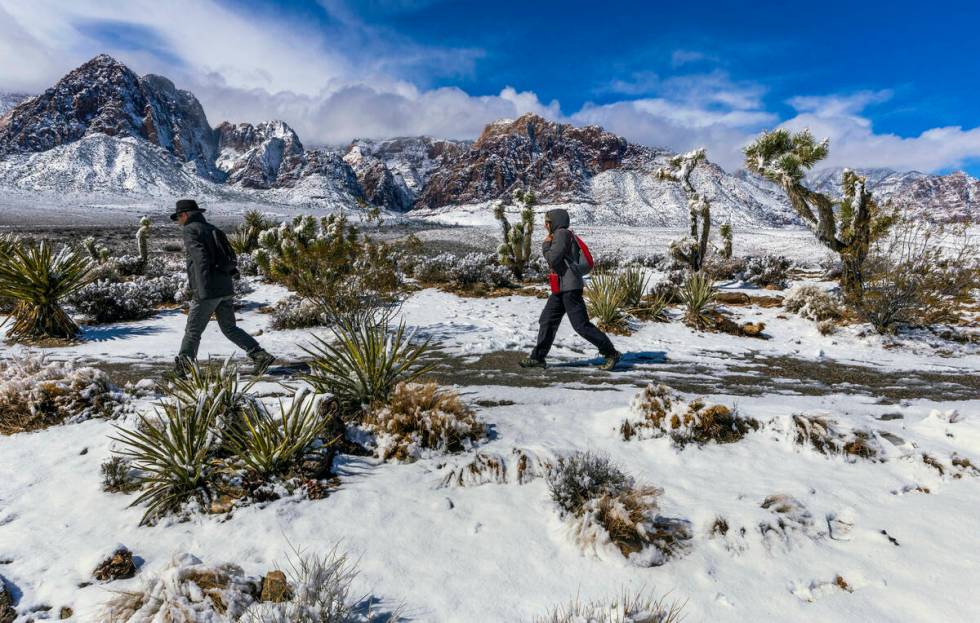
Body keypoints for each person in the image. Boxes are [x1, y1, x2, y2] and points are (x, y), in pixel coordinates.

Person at [170, 199, 275, 376]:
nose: (178, 222)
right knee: (229, 328)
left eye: (178, 217)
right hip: (225, 288)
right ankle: (259, 355)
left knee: (193, 330)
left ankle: (182, 369)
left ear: (185, 215)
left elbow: (200, 259)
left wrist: (201, 290)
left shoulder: (190, 230)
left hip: (208, 290)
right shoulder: (213, 229)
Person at [521, 209, 621, 370]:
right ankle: (538, 357)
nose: (545, 225)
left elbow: (553, 258)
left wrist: (546, 245)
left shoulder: (561, 234)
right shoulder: (564, 234)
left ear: (555, 222)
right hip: (561, 288)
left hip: (570, 287)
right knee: (547, 320)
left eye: (548, 222)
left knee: (580, 325)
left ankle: (611, 353)